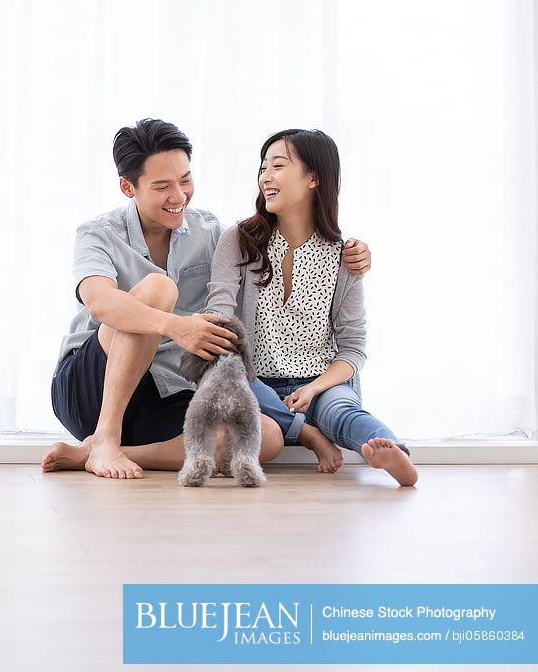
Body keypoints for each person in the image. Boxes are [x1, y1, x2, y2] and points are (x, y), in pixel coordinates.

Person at [42, 119, 372, 479]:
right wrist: (177, 327)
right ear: (127, 187)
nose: (179, 196)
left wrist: (349, 253)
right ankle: (104, 437)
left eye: (185, 180)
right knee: (158, 289)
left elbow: (268, 260)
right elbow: (100, 302)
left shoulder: (211, 232)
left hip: (166, 391)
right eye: (162, 186)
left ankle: (97, 453)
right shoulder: (98, 233)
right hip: (91, 387)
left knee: (265, 437)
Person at [205, 128, 417, 486]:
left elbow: (352, 347)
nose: (265, 177)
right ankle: (309, 434)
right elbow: (219, 320)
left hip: (319, 381)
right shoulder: (238, 240)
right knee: (233, 381)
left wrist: (316, 387)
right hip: (253, 381)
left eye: (278, 166)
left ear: (314, 178)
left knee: (342, 410)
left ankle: (393, 451)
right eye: (262, 167)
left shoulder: (344, 255)